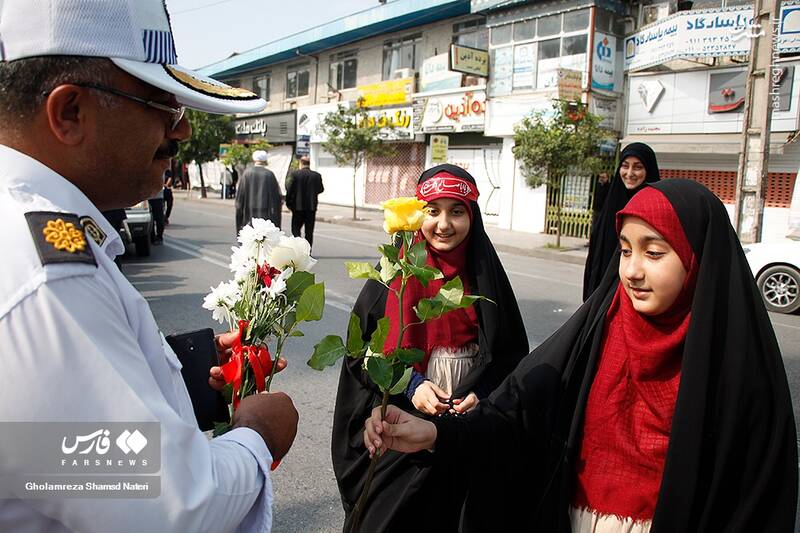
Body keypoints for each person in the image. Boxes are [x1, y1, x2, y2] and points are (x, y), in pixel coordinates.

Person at [0, 1, 298, 531]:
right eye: (162, 105)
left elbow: (45, 451)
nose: (180, 131)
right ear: (69, 113)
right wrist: (257, 436)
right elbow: (160, 504)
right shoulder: (46, 274)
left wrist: (178, 368)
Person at [364, 179, 798, 532]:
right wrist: (436, 432)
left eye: (654, 252)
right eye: (625, 250)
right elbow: (517, 409)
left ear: (697, 257)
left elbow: (754, 502)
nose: (632, 271)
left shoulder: (739, 372)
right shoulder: (596, 331)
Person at [333, 164, 530, 532]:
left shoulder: (485, 275)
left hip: (465, 431)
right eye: (432, 211)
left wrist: (482, 392)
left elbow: (510, 356)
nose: (443, 224)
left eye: (456, 211)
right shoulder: (395, 272)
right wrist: (411, 385)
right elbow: (361, 354)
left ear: (473, 217)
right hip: (401, 423)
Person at [583, 143, 660, 301]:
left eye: (638, 167)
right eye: (625, 166)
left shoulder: (655, 206)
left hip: (636, 289)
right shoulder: (612, 201)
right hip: (602, 290)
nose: (630, 173)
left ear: (649, 170)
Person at [235, 150, 282, 233]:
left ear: (254, 160)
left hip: (248, 214)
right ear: (265, 160)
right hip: (266, 216)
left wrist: (239, 219)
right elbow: (276, 199)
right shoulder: (269, 174)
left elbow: (240, 197)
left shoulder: (246, 173)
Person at [286, 155, 324, 248]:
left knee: (295, 229)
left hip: (297, 207)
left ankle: (298, 248)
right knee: (309, 232)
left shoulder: (295, 175)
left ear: (301, 163)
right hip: (311, 207)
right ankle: (308, 250)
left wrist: (288, 203)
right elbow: (321, 189)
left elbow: (290, 190)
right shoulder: (316, 175)